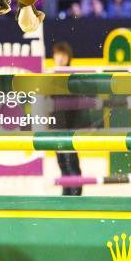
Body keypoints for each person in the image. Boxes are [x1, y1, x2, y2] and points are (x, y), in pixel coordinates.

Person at [52, 42, 83, 196]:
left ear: (68, 57)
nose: (60, 58)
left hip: (70, 126)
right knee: (62, 162)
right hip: (56, 126)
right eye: (58, 54)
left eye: (63, 55)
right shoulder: (51, 76)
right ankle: (66, 190)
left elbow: (77, 103)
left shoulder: (73, 76)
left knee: (71, 161)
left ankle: (76, 190)